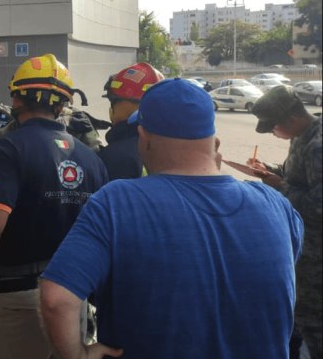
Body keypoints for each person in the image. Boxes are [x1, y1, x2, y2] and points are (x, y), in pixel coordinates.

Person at [40, 78, 304, 359]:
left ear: (145, 137)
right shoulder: (276, 205)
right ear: (215, 142)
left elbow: (57, 300)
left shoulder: (116, 203)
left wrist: (77, 355)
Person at [0, 54, 108, 359]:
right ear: (62, 103)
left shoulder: (7, 148)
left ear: (16, 98)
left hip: (21, 301)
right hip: (72, 297)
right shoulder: (91, 158)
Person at [248, 84, 322, 359]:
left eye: (273, 128)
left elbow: (319, 203)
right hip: (307, 247)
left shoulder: (317, 146)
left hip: (317, 256)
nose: (273, 134)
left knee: (313, 320)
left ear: (291, 120)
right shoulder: (303, 135)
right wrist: (270, 172)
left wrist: (280, 187)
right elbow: (300, 179)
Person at [98, 62, 164, 180]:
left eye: (113, 101)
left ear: (126, 103)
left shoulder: (116, 157)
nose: (112, 108)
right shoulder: (169, 145)